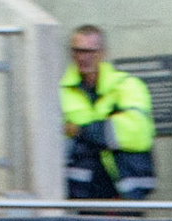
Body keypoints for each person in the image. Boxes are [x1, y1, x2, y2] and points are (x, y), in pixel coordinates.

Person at [62, 25, 155, 201]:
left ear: (102, 53)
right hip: (81, 195)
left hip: (125, 191)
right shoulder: (60, 91)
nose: (84, 57)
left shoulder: (127, 85)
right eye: (78, 51)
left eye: (90, 51)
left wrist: (81, 131)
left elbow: (138, 133)